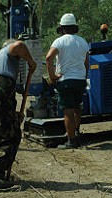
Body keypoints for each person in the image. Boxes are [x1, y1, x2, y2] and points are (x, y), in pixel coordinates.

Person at [0, 39, 37, 188]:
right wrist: (31, 61)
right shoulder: (8, 52)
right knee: (12, 136)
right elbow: (19, 45)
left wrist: (15, 116)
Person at [45, 13, 90, 149]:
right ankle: (76, 133)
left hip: (65, 81)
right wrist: (83, 75)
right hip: (80, 80)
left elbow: (48, 58)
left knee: (68, 111)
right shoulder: (82, 41)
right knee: (77, 108)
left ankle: (71, 141)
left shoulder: (59, 42)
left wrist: (52, 76)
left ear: (62, 28)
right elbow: (86, 62)